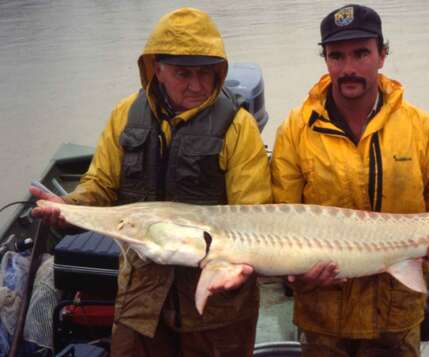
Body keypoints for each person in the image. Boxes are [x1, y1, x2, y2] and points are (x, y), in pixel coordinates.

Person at [31, 8, 271, 357]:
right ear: (156, 67)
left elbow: (252, 216)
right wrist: (70, 208)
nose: (197, 85)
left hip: (217, 308)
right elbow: (101, 184)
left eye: (206, 73)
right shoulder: (126, 115)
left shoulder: (239, 126)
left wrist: (236, 266)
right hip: (141, 300)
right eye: (183, 73)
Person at [271, 4, 429, 356]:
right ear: (326, 59)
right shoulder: (295, 130)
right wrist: (293, 275)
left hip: (396, 316)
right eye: (337, 56)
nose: (348, 68)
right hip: (323, 318)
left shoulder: (419, 127)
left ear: (382, 54)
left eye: (361, 53)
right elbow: (280, 218)